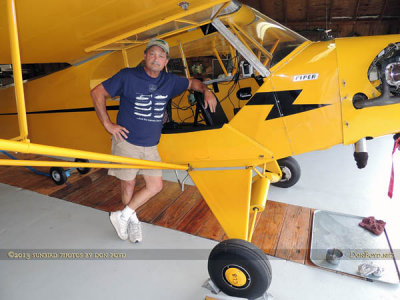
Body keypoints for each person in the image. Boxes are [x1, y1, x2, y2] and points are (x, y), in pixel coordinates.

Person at [91, 38, 217, 243]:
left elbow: (193, 83)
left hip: (150, 144)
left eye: (161, 56)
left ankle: (122, 215)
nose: (156, 58)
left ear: (166, 61)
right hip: (127, 141)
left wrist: (206, 90)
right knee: (128, 185)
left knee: (155, 186)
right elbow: (97, 92)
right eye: (152, 54)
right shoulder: (128, 75)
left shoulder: (169, 81)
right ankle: (132, 221)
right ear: (145, 57)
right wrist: (107, 123)